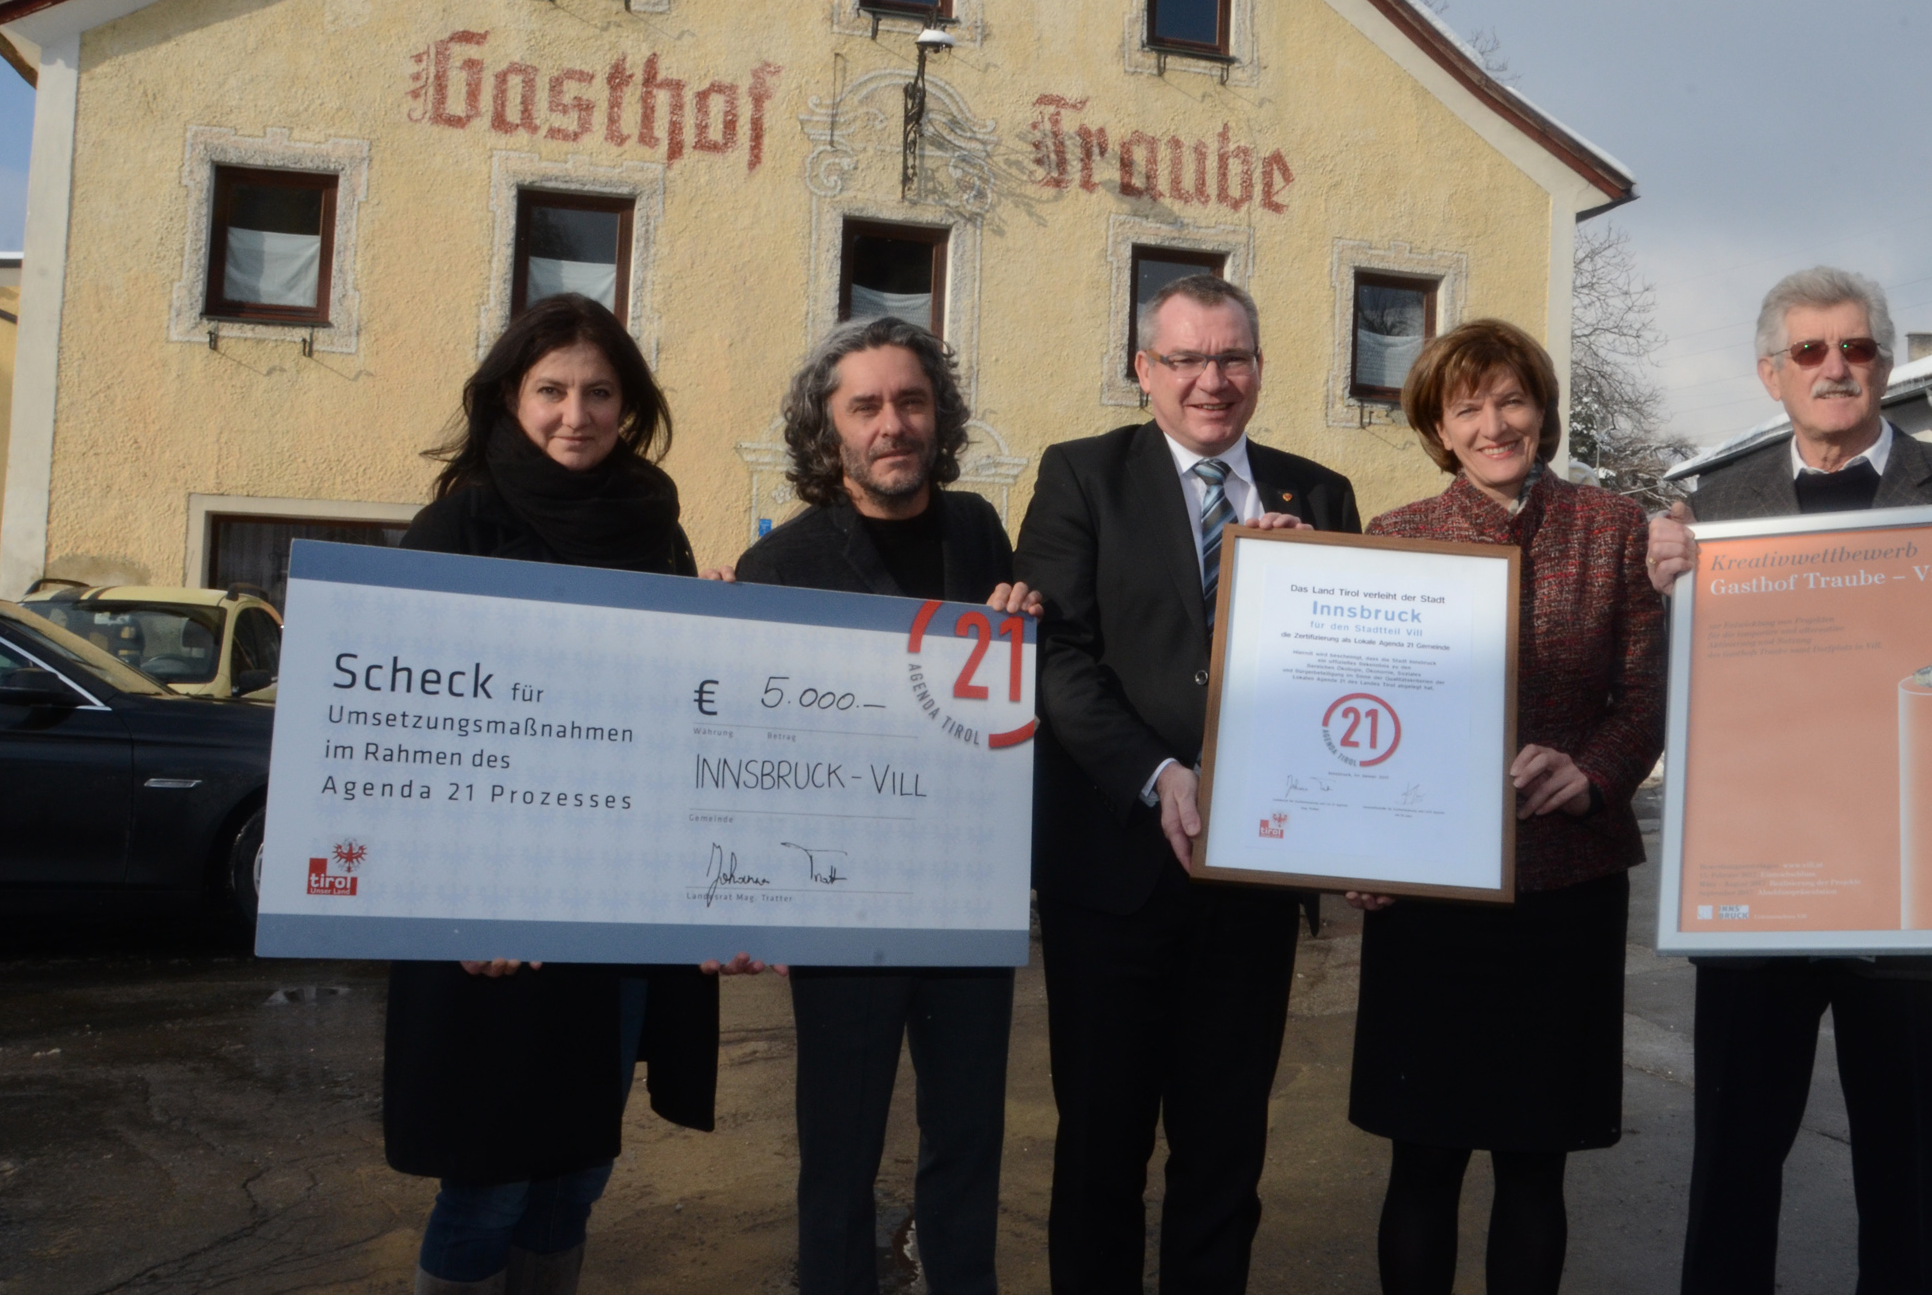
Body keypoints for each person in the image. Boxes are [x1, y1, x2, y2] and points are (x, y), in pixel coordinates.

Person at [1646, 266, 1932, 1295]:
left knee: (1906, 1179)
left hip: (1918, 905)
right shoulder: (1715, 514)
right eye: (1810, 350)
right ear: (1771, 374)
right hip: (1759, 900)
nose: (1835, 367)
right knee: (1733, 1173)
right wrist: (1666, 599)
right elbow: (1675, 705)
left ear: (1884, 365)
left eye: (1857, 348)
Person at [384, 292, 759, 1295]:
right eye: (552, 390)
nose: (575, 414)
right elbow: (403, 737)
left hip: (618, 909)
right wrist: (456, 902)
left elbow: (675, 725)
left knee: (578, 1175)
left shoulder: (656, 526)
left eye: (599, 393)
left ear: (628, 405)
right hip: (494, 921)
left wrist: (719, 643)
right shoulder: (458, 525)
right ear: (512, 396)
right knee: (489, 1184)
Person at [1015, 272, 1362, 1295]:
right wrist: (1157, 773)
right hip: (1113, 874)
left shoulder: (1319, 494)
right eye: (1186, 359)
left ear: (1258, 367)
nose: (1212, 380)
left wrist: (1325, 584)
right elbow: (1057, 657)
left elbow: (1357, 679)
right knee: (1101, 1149)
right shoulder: (1083, 475)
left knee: (1224, 1151)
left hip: (1252, 878)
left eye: (1232, 358)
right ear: (1144, 370)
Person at [1342, 319, 1664, 1295]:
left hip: (1565, 890)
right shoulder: (1394, 537)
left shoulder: (1613, 527)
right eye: (1468, 407)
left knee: (1534, 1163)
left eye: (1511, 400)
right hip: (1428, 897)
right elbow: (1358, 711)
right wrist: (1355, 844)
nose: (1494, 425)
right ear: (1438, 430)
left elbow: (1646, 693)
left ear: (1542, 411)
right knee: (1423, 1159)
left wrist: (1594, 772)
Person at [731, 316, 1040, 1295]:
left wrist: (1024, 636)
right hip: (841, 902)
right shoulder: (779, 567)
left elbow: (1008, 703)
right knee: (839, 1152)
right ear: (827, 430)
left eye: (911, 401)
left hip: (965, 890)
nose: (892, 423)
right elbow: (749, 748)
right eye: (864, 406)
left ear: (938, 415)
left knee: (968, 1144)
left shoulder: (980, 531)